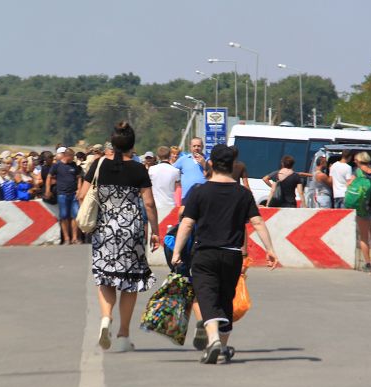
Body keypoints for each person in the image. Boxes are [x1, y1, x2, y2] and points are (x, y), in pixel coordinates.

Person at [171, 144, 278, 364]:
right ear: (232, 166)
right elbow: (257, 222)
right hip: (232, 255)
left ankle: (214, 341)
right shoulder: (243, 193)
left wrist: (176, 251)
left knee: (207, 296)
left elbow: (187, 223)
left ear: (210, 164)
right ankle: (224, 345)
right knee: (225, 298)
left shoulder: (199, 191)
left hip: (204, 253)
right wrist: (270, 250)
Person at [78, 121, 160, 353]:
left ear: (112, 143)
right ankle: (124, 334)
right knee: (130, 281)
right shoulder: (138, 169)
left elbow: (82, 195)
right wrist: (155, 230)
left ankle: (106, 318)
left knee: (105, 276)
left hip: (104, 229)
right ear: (132, 145)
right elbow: (149, 203)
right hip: (132, 229)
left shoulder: (98, 165)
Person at [46, 148, 82, 244]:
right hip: (62, 194)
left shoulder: (74, 165)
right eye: (72, 156)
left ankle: (74, 238)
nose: (73, 159)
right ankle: (66, 238)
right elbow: (49, 177)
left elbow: (79, 178)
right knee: (64, 216)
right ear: (67, 156)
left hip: (74, 194)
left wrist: (79, 189)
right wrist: (48, 190)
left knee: (75, 215)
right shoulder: (57, 165)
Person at [174, 138, 207, 205]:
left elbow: (214, 175)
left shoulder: (208, 160)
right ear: (190, 147)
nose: (196, 148)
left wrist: (204, 164)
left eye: (199, 146)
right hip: (187, 196)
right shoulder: (183, 159)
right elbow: (171, 171)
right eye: (194, 146)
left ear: (202, 147)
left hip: (204, 197)